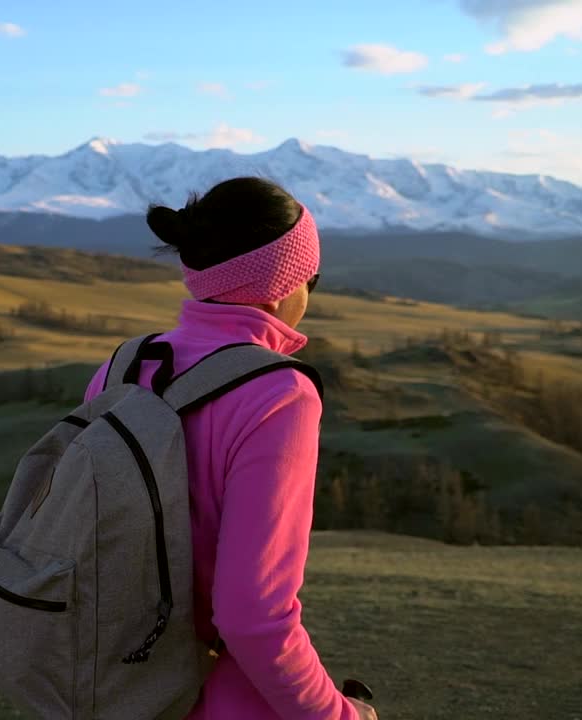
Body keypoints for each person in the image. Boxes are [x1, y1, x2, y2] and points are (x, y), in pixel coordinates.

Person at [81, 177, 379, 719]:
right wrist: (341, 716)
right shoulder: (278, 394)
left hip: (106, 682)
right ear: (285, 283)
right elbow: (252, 618)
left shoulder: (122, 366)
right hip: (212, 696)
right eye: (313, 277)